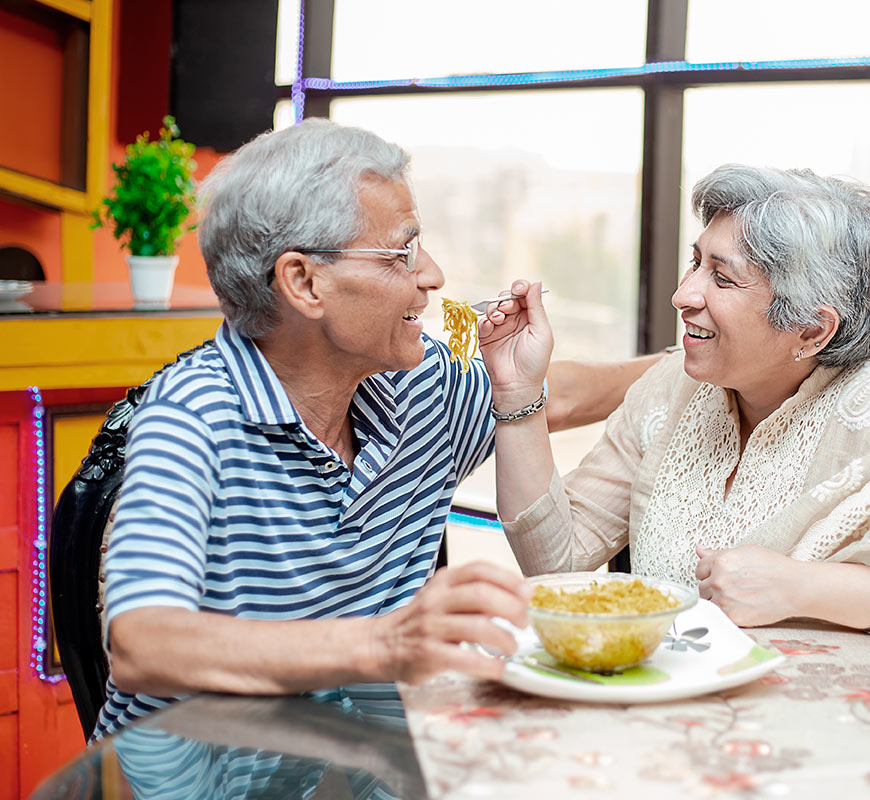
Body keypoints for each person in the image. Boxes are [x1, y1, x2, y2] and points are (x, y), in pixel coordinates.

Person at [96, 119, 652, 739]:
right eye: (402, 252)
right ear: (305, 282)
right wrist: (385, 643)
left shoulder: (415, 390)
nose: (433, 275)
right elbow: (144, 645)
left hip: (361, 766)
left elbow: (550, 393)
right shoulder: (192, 416)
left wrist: (694, 362)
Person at [484, 164, 870, 651]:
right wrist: (517, 395)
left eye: (722, 278)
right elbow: (554, 561)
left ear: (811, 329)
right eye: (697, 261)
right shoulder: (670, 389)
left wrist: (810, 588)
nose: (682, 294)